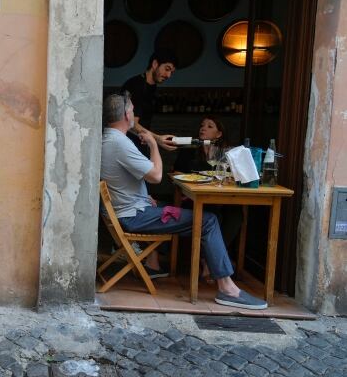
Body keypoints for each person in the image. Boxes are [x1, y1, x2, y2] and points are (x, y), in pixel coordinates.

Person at [100, 93, 267, 309]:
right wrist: (153, 145)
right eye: (132, 109)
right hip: (134, 216)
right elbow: (156, 175)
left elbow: (123, 180)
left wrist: (143, 195)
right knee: (208, 220)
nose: (134, 114)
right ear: (125, 114)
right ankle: (227, 289)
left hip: (130, 209)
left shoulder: (109, 138)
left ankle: (204, 268)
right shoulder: (120, 143)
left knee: (193, 213)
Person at [173, 116, 243, 282]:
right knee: (213, 215)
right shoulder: (190, 148)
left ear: (218, 134)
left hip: (219, 196)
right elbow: (176, 172)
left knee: (236, 214)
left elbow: (232, 176)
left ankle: (209, 259)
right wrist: (185, 183)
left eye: (209, 126)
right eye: (202, 125)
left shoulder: (225, 153)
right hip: (193, 197)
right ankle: (211, 262)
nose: (203, 128)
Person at [120, 49, 179, 154]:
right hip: (126, 148)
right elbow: (131, 123)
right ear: (155, 64)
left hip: (140, 146)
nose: (169, 75)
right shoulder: (135, 85)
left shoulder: (152, 87)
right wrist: (158, 139)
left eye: (171, 72)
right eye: (167, 69)